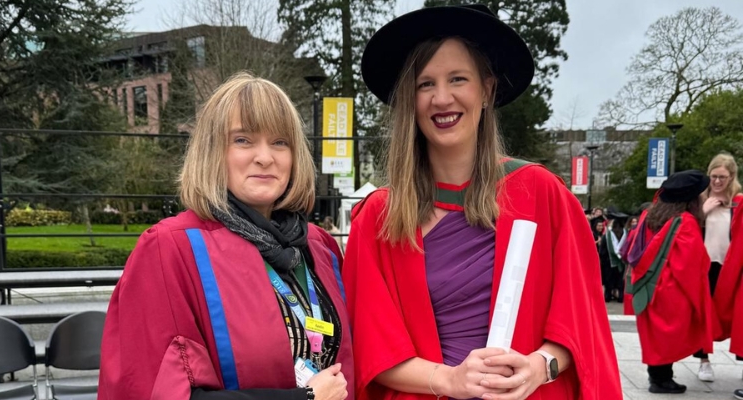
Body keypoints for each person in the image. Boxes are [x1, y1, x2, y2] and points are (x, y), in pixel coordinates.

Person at [344, 4, 621, 400]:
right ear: (410, 98)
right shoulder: (380, 217)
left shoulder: (542, 195)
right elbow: (370, 349)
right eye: (425, 84)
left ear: (487, 89)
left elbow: (581, 323)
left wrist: (538, 367)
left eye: (458, 78)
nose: (442, 98)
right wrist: (449, 380)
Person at [98, 73, 352, 400]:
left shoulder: (319, 247)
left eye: (280, 142)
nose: (265, 157)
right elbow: (152, 391)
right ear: (213, 151)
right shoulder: (170, 250)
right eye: (243, 140)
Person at [626, 170, 714, 394]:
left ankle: (659, 376)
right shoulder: (685, 222)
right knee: (669, 336)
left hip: (648, 285)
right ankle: (661, 380)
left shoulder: (651, 215)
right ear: (692, 199)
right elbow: (692, 265)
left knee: (656, 337)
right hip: (670, 289)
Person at [694, 153, 742, 381]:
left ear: (732, 176)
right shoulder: (700, 200)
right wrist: (703, 212)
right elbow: (685, 229)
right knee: (704, 313)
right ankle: (704, 360)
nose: (717, 182)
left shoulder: (738, 201)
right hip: (705, 265)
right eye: (713, 176)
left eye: (722, 177)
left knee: (736, 313)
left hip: (731, 266)